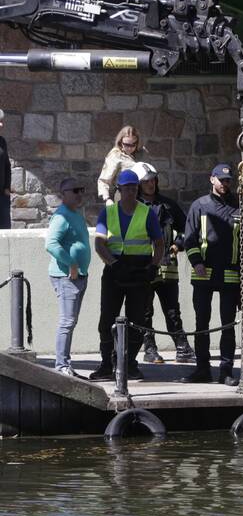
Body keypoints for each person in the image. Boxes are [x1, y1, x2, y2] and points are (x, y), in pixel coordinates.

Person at [89, 169, 165, 381]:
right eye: (126, 188)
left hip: (140, 271)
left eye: (133, 187)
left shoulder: (146, 212)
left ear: (137, 189)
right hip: (115, 270)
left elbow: (159, 244)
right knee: (107, 320)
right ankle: (106, 364)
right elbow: (99, 244)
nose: (130, 191)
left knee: (137, 320)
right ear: (119, 190)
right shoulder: (109, 212)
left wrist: (153, 266)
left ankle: (130, 364)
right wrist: (113, 263)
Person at [182, 163, 243, 385]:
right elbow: (189, 239)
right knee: (202, 325)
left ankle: (226, 371)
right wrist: (196, 261)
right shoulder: (199, 206)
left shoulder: (239, 207)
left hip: (230, 275)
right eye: (221, 180)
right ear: (212, 180)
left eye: (228, 181)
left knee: (227, 326)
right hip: (203, 274)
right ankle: (202, 369)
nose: (225, 184)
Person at [132, 162, 195, 365]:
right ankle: (149, 349)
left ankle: (182, 347)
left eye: (153, 180)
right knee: (145, 310)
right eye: (146, 181)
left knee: (172, 309)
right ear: (139, 184)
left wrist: (178, 245)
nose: (151, 184)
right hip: (143, 267)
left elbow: (188, 229)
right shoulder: (133, 207)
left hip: (168, 267)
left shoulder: (168, 205)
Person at [45, 178, 91, 376]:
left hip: (78, 275)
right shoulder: (61, 217)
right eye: (75, 190)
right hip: (66, 276)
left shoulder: (76, 215)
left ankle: (65, 364)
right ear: (63, 194)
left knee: (71, 321)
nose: (79, 194)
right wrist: (71, 264)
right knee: (67, 321)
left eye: (81, 190)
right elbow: (51, 244)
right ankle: (61, 365)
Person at [97, 125, 148, 206]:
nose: (130, 148)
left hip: (143, 194)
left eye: (133, 144)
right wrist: (107, 199)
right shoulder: (115, 155)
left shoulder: (142, 152)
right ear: (120, 142)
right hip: (124, 194)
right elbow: (104, 180)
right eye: (127, 144)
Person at [0, 108, 11, 230]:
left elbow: (7, 166)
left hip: (1, 196)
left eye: (2, 121)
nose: (1, 124)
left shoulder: (2, 142)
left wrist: (7, 187)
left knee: (4, 230)